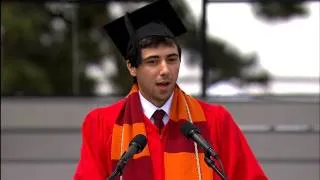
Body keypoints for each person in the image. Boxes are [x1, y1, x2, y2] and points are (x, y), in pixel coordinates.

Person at [74, 0, 268, 179]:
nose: (165, 70)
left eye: (172, 59)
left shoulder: (215, 122)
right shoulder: (102, 124)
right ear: (132, 67)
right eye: (153, 61)